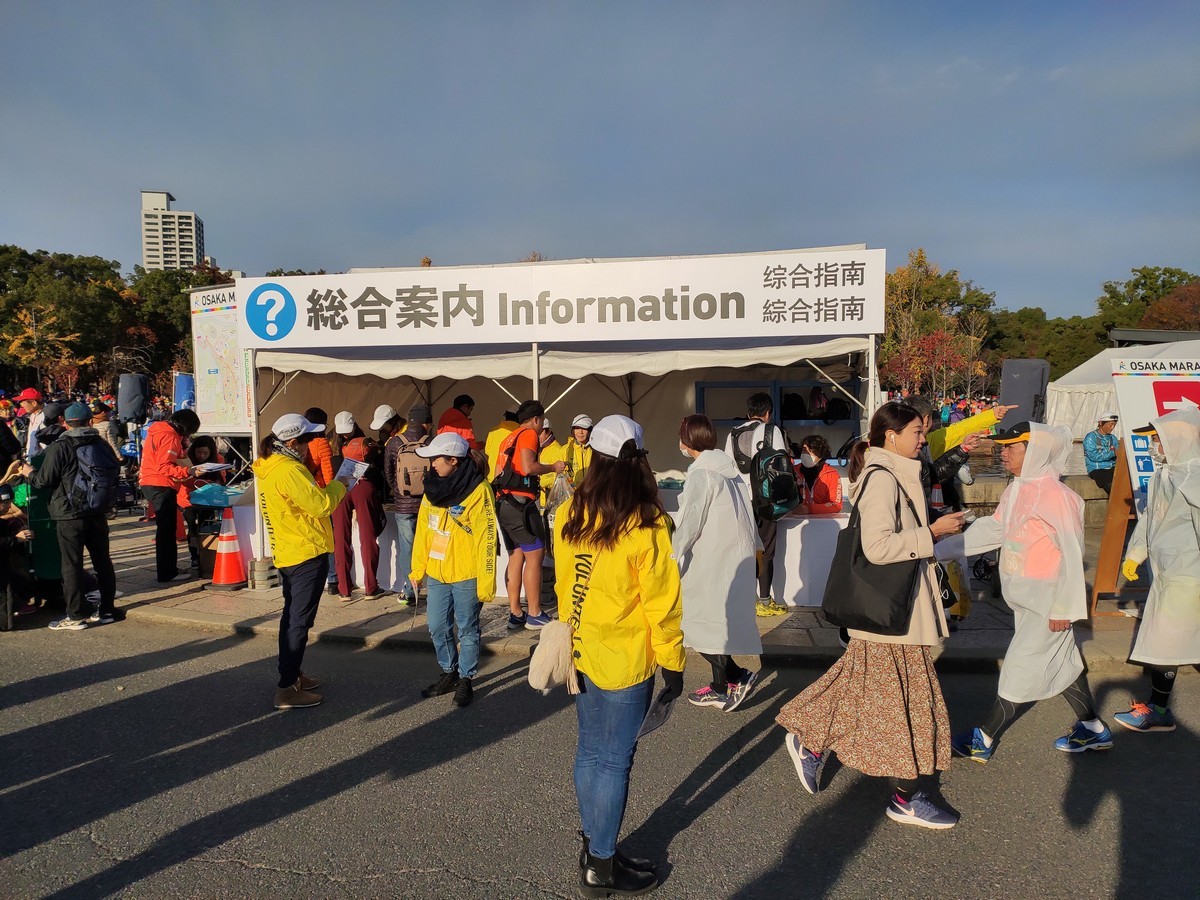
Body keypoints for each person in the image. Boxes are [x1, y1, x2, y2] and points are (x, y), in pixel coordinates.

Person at [776, 402, 965, 830]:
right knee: (905, 707)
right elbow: (878, 548)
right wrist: (932, 533)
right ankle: (908, 796)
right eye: (917, 432)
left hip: (892, 612)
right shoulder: (884, 479)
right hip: (893, 613)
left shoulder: (896, 472)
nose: (922, 439)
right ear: (890, 435)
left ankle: (812, 741)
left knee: (867, 691)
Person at [553, 415, 684, 896]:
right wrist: (673, 661)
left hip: (582, 650)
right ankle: (602, 864)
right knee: (612, 760)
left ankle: (596, 844)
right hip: (626, 657)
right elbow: (662, 602)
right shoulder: (644, 522)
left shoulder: (571, 512)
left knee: (590, 750)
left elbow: (567, 585)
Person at [951, 422, 1113, 762]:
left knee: (1020, 666)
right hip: (1024, 599)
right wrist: (939, 548)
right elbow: (994, 529)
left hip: (1047, 601)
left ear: (1036, 450)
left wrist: (1064, 608)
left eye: (1012, 447)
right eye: (1004, 446)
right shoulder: (1017, 488)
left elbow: (1071, 553)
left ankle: (984, 737)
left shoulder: (1059, 497)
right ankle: (1094, 729)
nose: (1003, 452)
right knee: (1063, 665)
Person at [253, 413, 348, 709]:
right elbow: (320, 506)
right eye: (307, 440)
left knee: (293, 618)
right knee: (298, 621)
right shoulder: (289, 470)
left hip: (289, 549)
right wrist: (341, 483)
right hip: (305, 551)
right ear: (293, 442)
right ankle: (286, 688)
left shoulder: (270, 464)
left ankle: (292, 674)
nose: (309, 446)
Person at [1113, 407, 1200, 732]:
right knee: (1178, 643)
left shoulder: (1194, 477)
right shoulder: (1167, 474)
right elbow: (1151, 519)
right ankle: (1159, 709)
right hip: (1170, 575)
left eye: (1158, 439)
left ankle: (1158, 711)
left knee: (1167, 642)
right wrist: (1135, 554)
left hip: (1188, 576)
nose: (1153, 445)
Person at [673, 414, 762, 711]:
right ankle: (721, 686)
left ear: (688, 440)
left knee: (692, 623)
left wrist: (671, 556)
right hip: (732, 556)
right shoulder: (729, 471)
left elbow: (690, 522)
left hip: (709, 558)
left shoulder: (702, 474)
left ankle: (736, 675)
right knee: (717, 626)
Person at [409, 432, 497, 708]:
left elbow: (487, 537)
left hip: (466, 572)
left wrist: (486, 581)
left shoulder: (479, 490)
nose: (432, 464)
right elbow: (423, 530)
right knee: (436, 626)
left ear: (454, 461)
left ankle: (466, 678)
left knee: (468, 628)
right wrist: (417, 569)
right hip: (437, 570)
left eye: (437, 458)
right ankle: (449, 672)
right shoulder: (431, 487)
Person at [21, 402, 120, 629]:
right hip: (96, 512)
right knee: (103, 562)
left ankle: (75, 615)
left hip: (68, 514)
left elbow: (43, 481)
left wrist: (29, 472)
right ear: (89, 421)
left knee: (71, 565)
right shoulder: (101, 443)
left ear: (65, 422)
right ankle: (106, 610)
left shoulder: (60, 447)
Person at [494, 400, 565, 630]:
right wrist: (553, 467)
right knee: (535, 554)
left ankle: (516, 612)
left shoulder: (508, 437)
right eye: (542, 420)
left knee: (516, 556)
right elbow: (528, 467)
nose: (542, 424)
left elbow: (498, 472)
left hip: (503, 502)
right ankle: (534, 613)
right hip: (520, 504)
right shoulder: (529, 435)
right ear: (536, 419)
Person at [724, 391, 789, 617]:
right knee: (767, 550)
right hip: (766, 500)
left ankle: (742, 599)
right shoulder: (772, 431)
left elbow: (728, 468)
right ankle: (764, 600)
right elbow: (781, 463)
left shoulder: (733, 433)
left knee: (744, 549)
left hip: (741, 499)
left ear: (748, 412)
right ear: (768, 413)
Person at [139, 408, 201, 583]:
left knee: (165, 530)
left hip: (150, 481)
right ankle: (167, 572)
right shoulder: (170, 435)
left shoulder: (158, 430)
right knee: (166, 532)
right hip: (161, 485)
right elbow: (164, 466)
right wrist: (189, 471)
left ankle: (168, 568)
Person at [332, 437, 387, 601]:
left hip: (340, 485)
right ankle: (371, 587)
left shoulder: (339, 458)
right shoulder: (372, 466)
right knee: (368, 538)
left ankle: (343, 589)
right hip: (364, 487)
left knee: (340, 539)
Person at [390, 406, 434, 606]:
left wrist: (400, 492)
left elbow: (389, 473)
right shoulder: (430, 442)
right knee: (432, 546)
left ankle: (409, 591)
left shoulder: (394, 442)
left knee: (407, 549)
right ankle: (433, 589)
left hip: (403, 506)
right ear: (426, 423)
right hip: (428, 503)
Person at [177, 435, 226, 572]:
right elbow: (183, 480)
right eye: (199, 452)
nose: (202, 456)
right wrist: (198, 479)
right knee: (192, 528)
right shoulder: (186, 459)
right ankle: (194, 556)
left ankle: (206, 555)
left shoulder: (219, 459)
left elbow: (222, 479)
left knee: (206, 526)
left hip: (208, 500)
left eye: (206, 453)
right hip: (188, 500)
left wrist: (214, 483)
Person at [793, 434, 843, 515]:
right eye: (804, 450)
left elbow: (836, 505)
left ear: (820, 454)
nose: (807, 453)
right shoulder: (793, 472)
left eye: (811, 450)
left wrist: (809, 509)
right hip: (795, 522)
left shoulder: (832, 475)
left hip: (822, 524)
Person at [1084, 412, 1120, 495]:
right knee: (1110, 485)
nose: (1112, 427)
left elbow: (1118, 453)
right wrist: (1113, 452)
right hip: (1097, 469)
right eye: (1110, 425)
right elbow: (1094, 456)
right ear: (1100, 423)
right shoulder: (1091, 437)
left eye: (1114, 425)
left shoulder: (1113, 438)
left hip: (1111, 468)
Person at [484, 409, 519, 476]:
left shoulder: (493, 431)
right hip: (509, 478)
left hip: (492, 474)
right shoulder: (521, 432)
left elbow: (487, 451)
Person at [14, 388, 45, 459]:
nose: (21, 405)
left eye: (22, 401)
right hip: (31, 458)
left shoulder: (47, 416)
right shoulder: (32, 415)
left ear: (34, 403)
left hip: (41, 459)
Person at [564, 414, 594, 486]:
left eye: (584, 428)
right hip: (575, 495)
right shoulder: (565, 450)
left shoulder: (596, 449)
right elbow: (563, 475)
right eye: (577, 428)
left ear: (590, 431)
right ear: (573, 431)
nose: (580, 432)